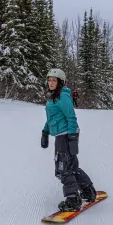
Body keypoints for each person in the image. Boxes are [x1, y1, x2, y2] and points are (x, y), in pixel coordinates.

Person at [41, 68, 96, 212]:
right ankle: (88, 191)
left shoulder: (63, 97)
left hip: (65, 135)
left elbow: (71, 117)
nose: (51, 82)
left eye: (54, 80)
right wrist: (45, 131)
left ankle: (73, 199)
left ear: (60, 82)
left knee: (62, 169)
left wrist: (72, 137)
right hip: (62, 135)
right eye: (49, 80)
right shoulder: (54, 97)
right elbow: (52, 118)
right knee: (71, 166)